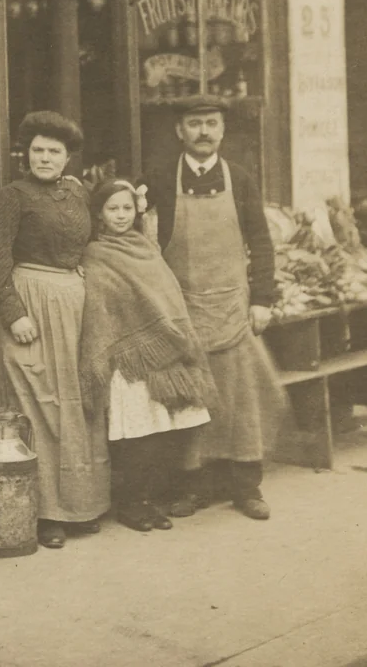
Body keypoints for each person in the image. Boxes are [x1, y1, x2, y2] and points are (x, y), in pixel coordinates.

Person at [142, 95, 285, 521]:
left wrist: (262, 299)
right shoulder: (159, 180)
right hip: (181, 312)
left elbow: (260, 242)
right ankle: (192, 487)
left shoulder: (240, 179)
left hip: (233, 310)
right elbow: (141, 245)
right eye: (195, 123)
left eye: (211, 123)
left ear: (222, 130)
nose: (203, 131)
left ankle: (247, 487)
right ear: (179, 131)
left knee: (242, 402)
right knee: (189, 402)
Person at [0, 111, 111, 549]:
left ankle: (82, 506)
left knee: (77, 405)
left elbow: (105, 226)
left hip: (73, 307)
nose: (45, 158)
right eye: (38, 150)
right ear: (25, 154)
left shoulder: (77, 192)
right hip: (30, 306)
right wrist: (13, 313)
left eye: (54, 151)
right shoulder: (12, 197)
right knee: (39, 407)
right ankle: (45, 514)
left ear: (69, 157)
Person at [79, 179, 214, 533]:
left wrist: (170, 334)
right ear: (100, 214)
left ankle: (149, 499)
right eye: (113, 209)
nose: (121, 216)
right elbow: (100, 307)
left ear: (136, 210)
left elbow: (165, 294)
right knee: (136, 433)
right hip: (127, 359)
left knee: (162, 429)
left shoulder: (146, 247)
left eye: (126, 208)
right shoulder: (95, 253)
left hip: (161, 356)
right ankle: (131, 504)